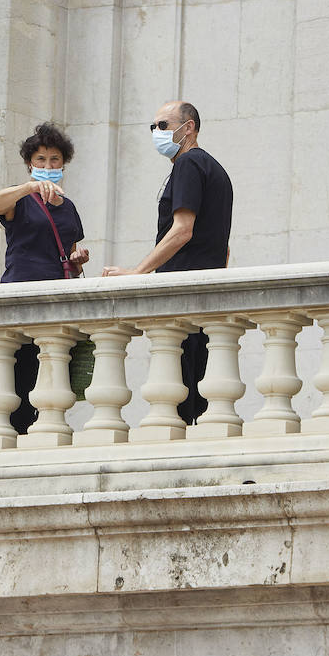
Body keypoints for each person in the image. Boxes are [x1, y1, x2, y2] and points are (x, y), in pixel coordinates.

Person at [102, 101, 233, 423]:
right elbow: (223, 248)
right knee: (194, 384)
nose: (156, 132)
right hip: (203, 291)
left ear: (188, 128)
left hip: (183, 291)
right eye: (153, 126)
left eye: (163, 125)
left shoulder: (189, 164)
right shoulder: (212, 167)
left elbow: (182, 231)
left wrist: (137, 272)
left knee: (178, 388)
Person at [0, 123, 90, 432]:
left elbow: (69, 254)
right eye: (41, 159)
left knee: (52, 373)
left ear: (64, 163)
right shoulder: (21, 199)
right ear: (30, 163)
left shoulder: (68, 207)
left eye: (54, 159)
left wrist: (78, 260)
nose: (48, 165)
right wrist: (28, 187)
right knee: (21, 371)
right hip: (21, 293)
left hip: (58, 296)